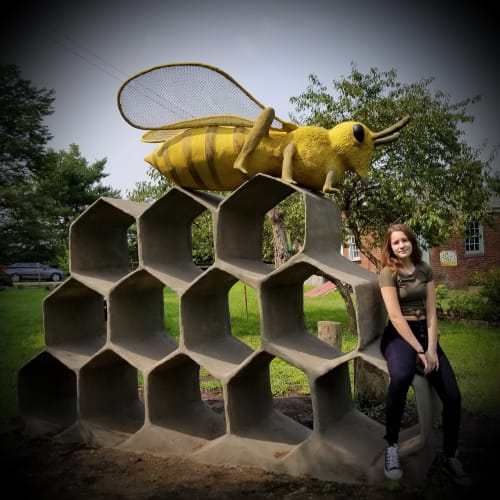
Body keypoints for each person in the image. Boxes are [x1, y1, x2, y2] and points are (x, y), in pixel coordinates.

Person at [378, 223, 471, 485]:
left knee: (453, 396)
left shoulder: (425, 270)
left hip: (424, 334)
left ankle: (450, 457)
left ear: (412, 242)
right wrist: (418, 350)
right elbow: (395, 317)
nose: (401, 245)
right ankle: (392, 446)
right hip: (399, 335)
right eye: (396, 242)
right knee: (401, 376)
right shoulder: (388, 273)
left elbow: (431, 312)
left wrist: (431, 349)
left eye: (405, 240)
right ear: (390, 247)